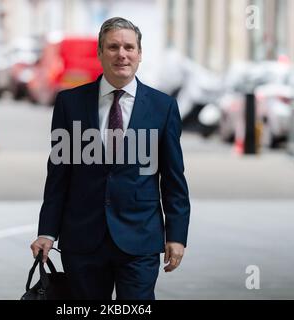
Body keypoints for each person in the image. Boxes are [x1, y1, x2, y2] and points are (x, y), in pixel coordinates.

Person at [30, 17, 190, 300]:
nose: (122, 54)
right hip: (83, 240)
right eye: (113, 47)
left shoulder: (162, 107)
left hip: (140, 239)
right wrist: (47, 232)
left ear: (140, 54)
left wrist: (176, 235)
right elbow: (58, 174)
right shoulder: (70, 103)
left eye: (129, 47)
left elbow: (174, 178)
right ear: (100, 53)